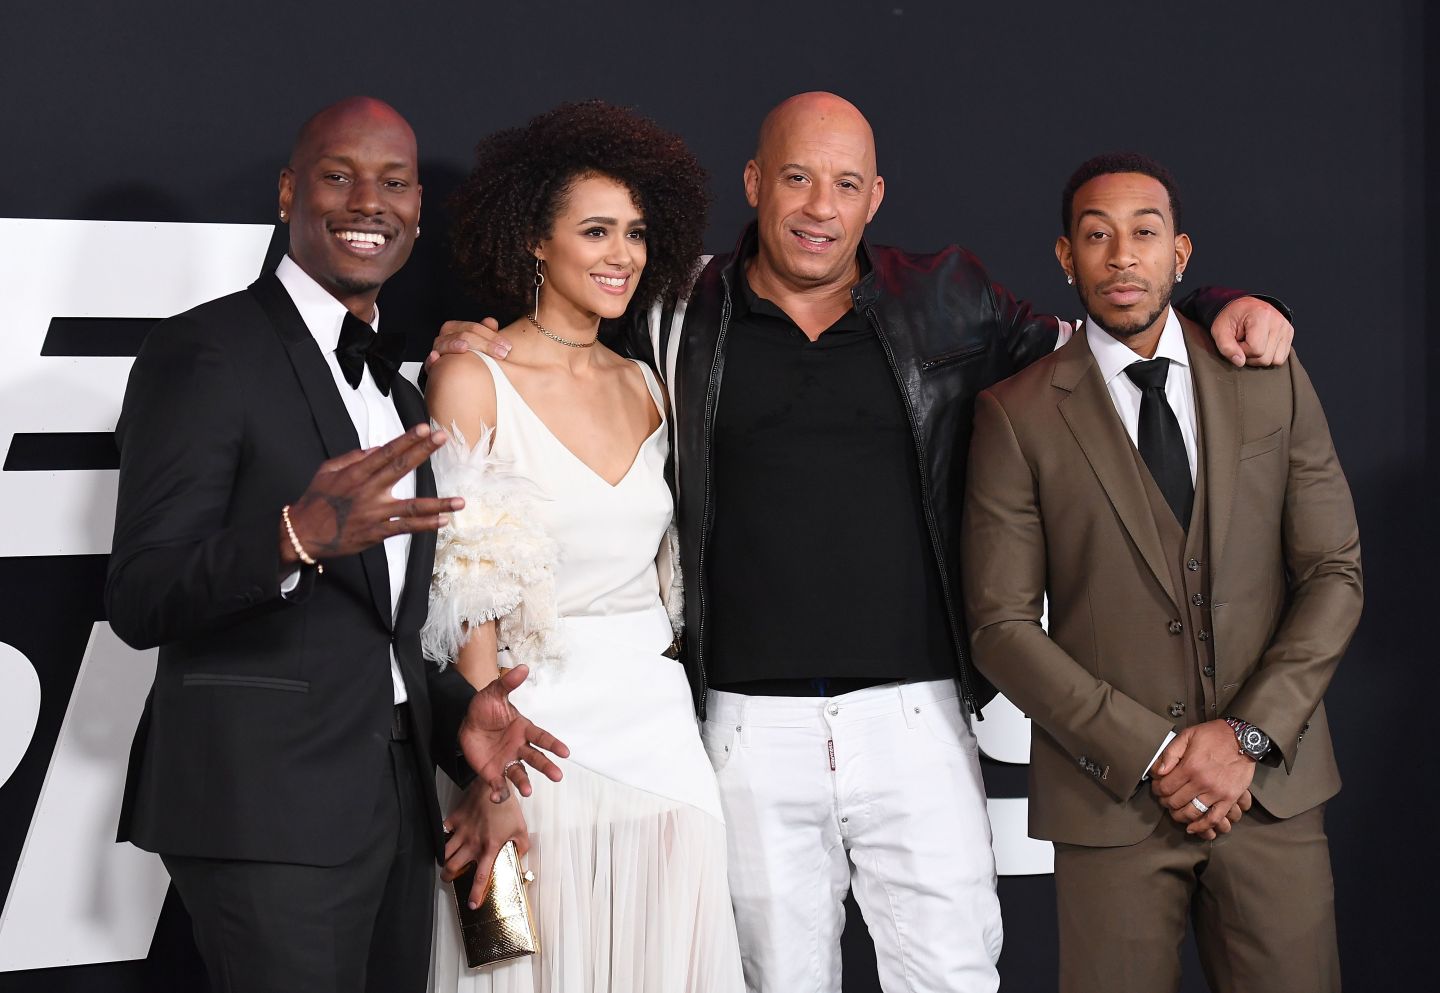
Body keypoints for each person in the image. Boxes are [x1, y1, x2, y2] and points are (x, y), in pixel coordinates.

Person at [431, 92, 1297, 993]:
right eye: (797, 178)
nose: (820, 207)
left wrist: (1224, 302)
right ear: (754, 183)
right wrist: (470, 338)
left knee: (953, 977)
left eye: (846, 184)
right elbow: (548, 350)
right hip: (742, 729)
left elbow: (1105, 342)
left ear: (875, 197)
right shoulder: (678, 309)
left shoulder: (950, 299)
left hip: (914, 719)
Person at [106, 96, 566, 993]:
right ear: (289, 192)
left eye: (394, 183)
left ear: (418, 211)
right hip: (263, 809)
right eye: (338, 175)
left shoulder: (402, 395)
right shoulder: (207, 351)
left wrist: (454, 717)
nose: (368, 202)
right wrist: (290, 538)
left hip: (392, 808)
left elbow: (374, 627)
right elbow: (141, 593)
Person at [962, 152, 1360, 992]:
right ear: (1066, 256)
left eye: (1144, 233)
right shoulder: (1017, 414)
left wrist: (1246, 735)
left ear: (1180, 254)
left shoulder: (1269, 376)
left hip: (1271, 789)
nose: (1122, 256)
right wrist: (1154, 751)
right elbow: (1000, 627)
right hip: (1111, 805)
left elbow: (1334, 572)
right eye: (1096, 236)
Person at [422, 101, 743, 993]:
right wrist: (488, 778)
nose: (622, 254)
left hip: (660, 736)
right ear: (535, 239)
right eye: (596, 230)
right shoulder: (471, 378)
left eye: (635, 233)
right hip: (532, 740)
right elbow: (466, 591)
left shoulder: (647, 383)